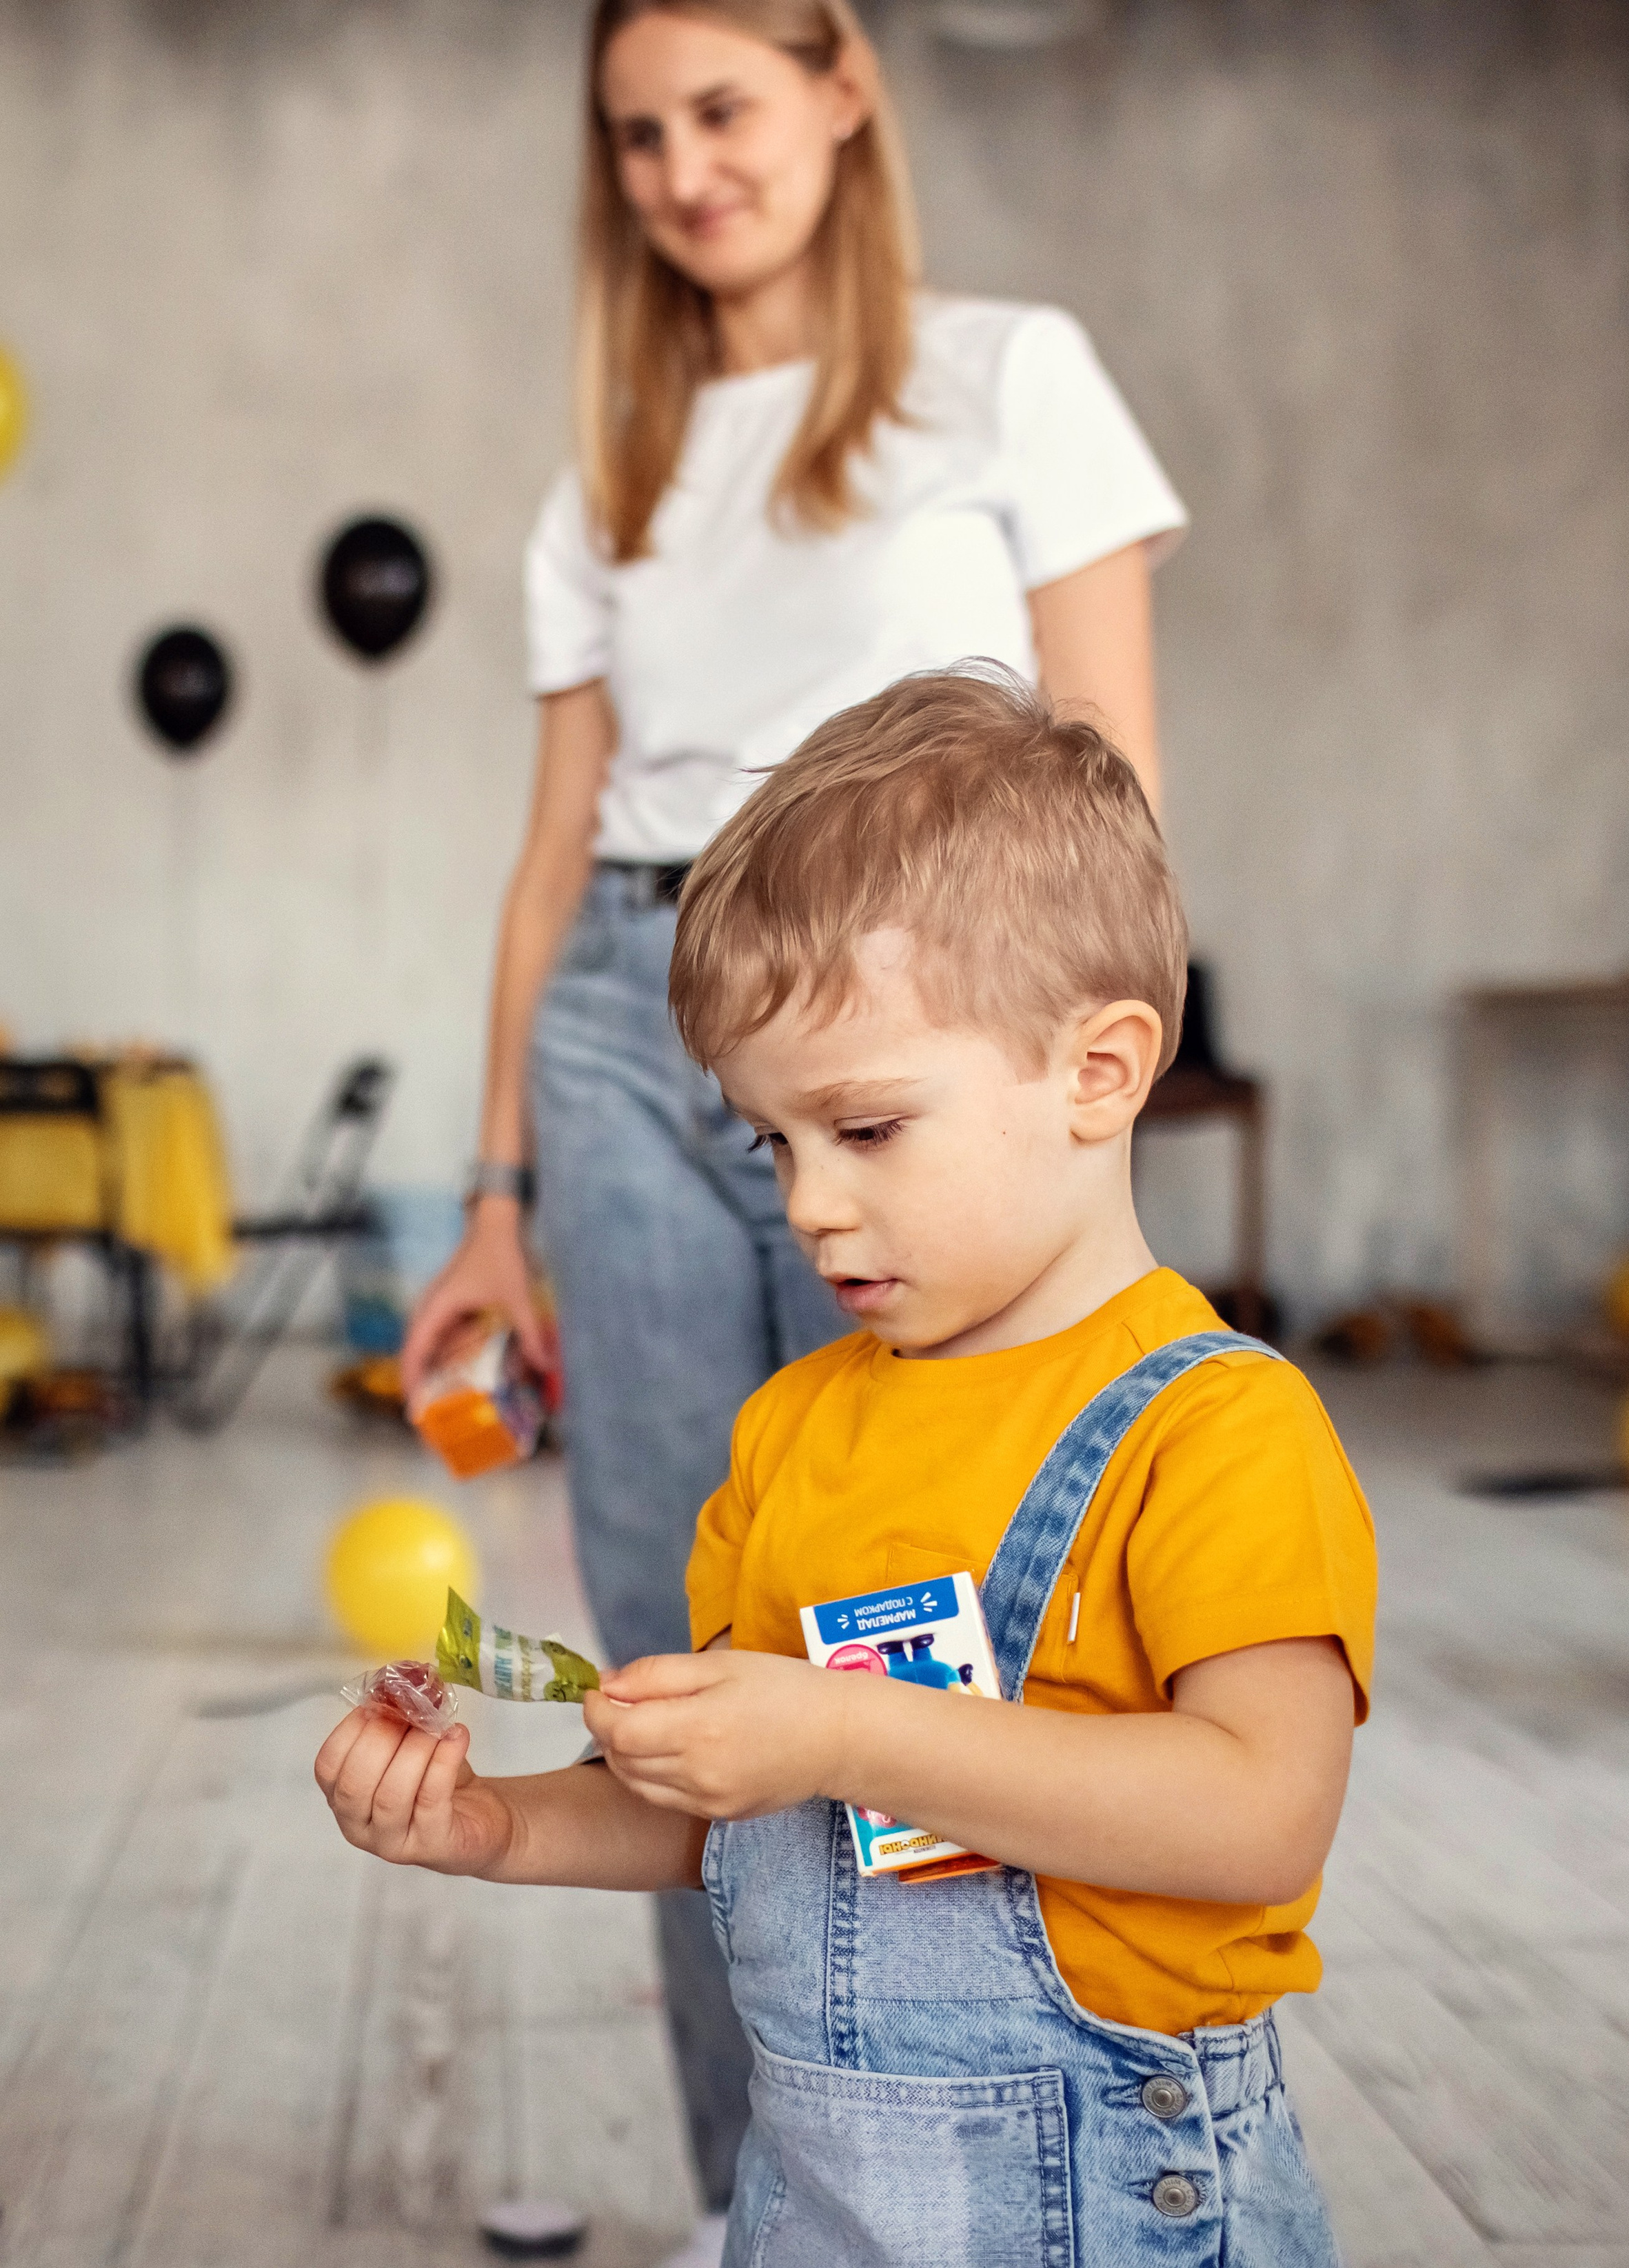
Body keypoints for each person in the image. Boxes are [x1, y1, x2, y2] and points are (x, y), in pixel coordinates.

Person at [398, 0, 1185, 2245]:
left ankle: (997, 2177)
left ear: (847, 85)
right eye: (635, 132)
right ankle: (777, 2204)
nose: (682, 169)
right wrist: (493, 1199)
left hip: (924, 1042)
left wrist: (1077, 1146)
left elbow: (1112, 794)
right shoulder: (611, 479)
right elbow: (552, 859)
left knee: (927, 1622)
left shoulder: (1013, 373)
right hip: (635, 1031)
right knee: (686, 1656)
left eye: (723, 108)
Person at [327, 669, 1378, 2268]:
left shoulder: (1215, 1427)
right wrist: (496, 1826)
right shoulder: (790, 1428)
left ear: (1098, 1072)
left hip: (1108, 2212)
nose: (808, 1203)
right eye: (771, 1142)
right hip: (817, 2204)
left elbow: (1258, 1816)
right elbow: (736, 1813)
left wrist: (844, 1725)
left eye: (866, 1130)